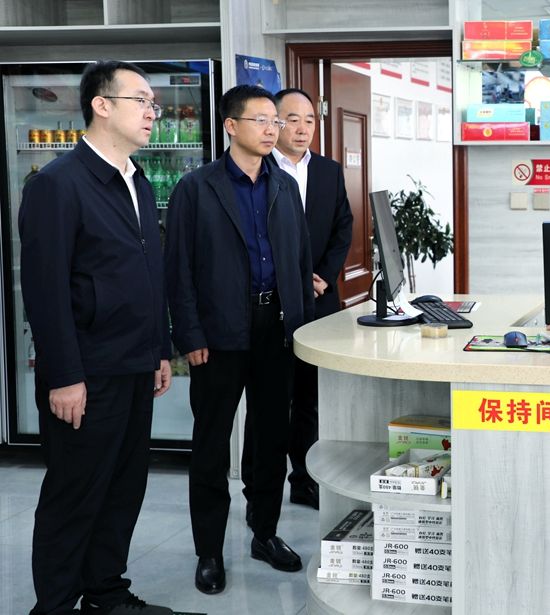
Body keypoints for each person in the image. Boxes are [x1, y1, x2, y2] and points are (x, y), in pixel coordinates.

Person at [20, 60, 173, 615]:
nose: (152, 112)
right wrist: (64, 376)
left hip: (135, 363)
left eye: (154, 103)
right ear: (101, 105)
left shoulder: (137, 180)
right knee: (75, 494)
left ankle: (106, 593)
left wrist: (159, 350)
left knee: (123, 487)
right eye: (141, 100)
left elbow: (148, 273)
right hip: (86, 373)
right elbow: (44, 289)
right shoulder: (58, 184)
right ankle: (55, 605)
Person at [164, 85, 315, 595]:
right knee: (211, 443)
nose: (274, 130)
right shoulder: (196, 188)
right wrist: (189, 333)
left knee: (270, 437)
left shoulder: (284, 185)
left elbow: (299, 261)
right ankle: (209, 550)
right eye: (262, 121)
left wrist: (301, 326)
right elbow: (178, 268)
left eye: (276, 121)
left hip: (277, 328)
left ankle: (264, 533)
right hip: (218, 333)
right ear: (231, 126)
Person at [242, 87, 353, 515]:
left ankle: (304, 481)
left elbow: (343, 227)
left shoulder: (328, 171)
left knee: (309, 397)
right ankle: (257, 490)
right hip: (271, 305)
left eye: (309, 120)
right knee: (268, 402)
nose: (303, 128)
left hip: (317, 302)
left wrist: (321, 275)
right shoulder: (257, 169)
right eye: (292, 119)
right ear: (274, 123)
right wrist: (293, 278)